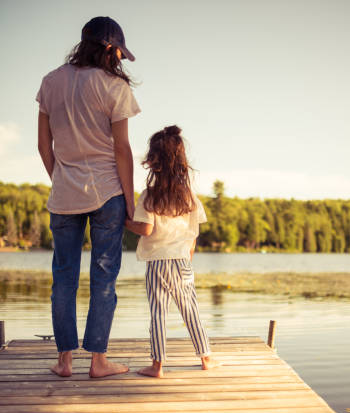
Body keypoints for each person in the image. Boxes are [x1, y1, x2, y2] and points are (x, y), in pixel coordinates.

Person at [36, 16, 140, 378]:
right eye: (118, 53)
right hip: (107, 190)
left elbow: (42, 145)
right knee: (104, 277)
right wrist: (130, 200)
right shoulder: (114, 87)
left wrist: (61, 179)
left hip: (64, 193)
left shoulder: (51, 82)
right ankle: (98, 362)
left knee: (63, 276)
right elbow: (122, 150)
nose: (119, 61)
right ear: (109, 47)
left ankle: (64, 361)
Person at [125, 125, 219, 378]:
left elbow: (145, 229)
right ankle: (206, 358)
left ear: (154, 163)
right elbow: (194, 232)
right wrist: (187, 254)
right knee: (191, 309)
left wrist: (125, 222)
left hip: (157, 262)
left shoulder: (149, 196)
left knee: (158, 313)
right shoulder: (189, 196)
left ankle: (157, 366)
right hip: (182, 261)